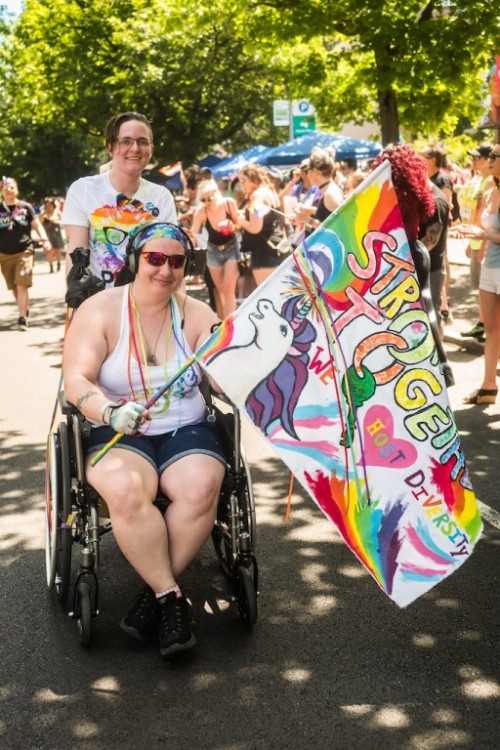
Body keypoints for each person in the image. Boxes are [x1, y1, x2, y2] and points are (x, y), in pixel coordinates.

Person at [62, 221, 227, 656]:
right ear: (136, 261)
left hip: (184, 426)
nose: (165, 270)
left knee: (201, 488)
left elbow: (222, 377)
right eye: (155, 258)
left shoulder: (198, 314)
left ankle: (157, 596)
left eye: (176, 261)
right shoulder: (99, 309)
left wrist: (240, 371)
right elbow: (75, 380)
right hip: (117, 428)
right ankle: (172, 599)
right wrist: (110, 412)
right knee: (129, 490)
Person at [370, 143, 454, 387]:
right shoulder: (416, 189)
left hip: (400, 255)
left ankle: (432, 368)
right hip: (413, 252)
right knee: (423, 310)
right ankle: (440, 367)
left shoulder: (386, 192)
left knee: (409, 314)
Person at [62, 111, 176, 288]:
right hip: (99, 303)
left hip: (150, 304)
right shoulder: (83, 190)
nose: (135, 148)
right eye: (126, 141)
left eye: (142, 142)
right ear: (110, 147)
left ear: (151, 149)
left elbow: (170, 257)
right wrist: (77, 301)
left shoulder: (162, 197)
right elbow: (77, 253)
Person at [456, 144, 500, 404]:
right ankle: (488, 387)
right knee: (491, 329)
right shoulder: (492, 189)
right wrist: (474, 234)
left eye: (495, 156)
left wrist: (483, 235)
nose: (490, 160)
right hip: (490, 268)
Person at [0, 177, 52, 330]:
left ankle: (22, 317)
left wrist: (45, 239)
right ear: (2, 191)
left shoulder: (25, 207)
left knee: (22, 284)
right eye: (5, 188)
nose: (9, 190)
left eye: (11, 187)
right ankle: (24, 308)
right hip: (4, 254)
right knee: (15, 287)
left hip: (25, 251)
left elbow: (36, 225)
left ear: (17, 189)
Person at [457, 143, 494, 342]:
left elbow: (487, 216)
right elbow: (476, 212)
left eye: (477, 157)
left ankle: (486, 326)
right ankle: (483, 324)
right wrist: (470, 242)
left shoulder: (491, 182)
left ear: (489, 159)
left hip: (484, 243)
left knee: (487, 290)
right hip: (476, 241)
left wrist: (483, 246)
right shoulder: (480, 180)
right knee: (480, 289)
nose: (473, 160)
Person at [189, 178, 240, 318]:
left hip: (231, 248)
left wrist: (231, 226)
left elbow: (239, 225)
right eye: (203, 199)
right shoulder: (202, 211)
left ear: (216, 193)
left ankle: (232, 323)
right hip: (213, 251)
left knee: (228, 290)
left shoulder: (229, 204)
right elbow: (194, 232)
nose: (207, 202)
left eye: (209, 198)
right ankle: (224, 322)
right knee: (221, 290)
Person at [237, 164, 285, 286]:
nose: (241, 184)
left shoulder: (257, 196)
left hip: (264, 252)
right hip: (275, 247)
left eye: (243, 180)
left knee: (269, 294)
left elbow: (255, 227)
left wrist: (241, 219)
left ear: (253, 178)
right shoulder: (269, 191)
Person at [293, 147, 344, 233]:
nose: (307, 175)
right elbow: (328, 216)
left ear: (315, 172)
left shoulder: (330, 194)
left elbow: (336, 229)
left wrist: (307, 219)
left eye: (308, 171)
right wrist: (311, 210)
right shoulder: (328, 190)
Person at [40, 197, 65, 273]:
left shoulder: (58, 213)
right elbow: (39, 223)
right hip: (47, 235)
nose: (49, 207)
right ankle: (51, 267)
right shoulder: (43, 214)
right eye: (47, 205)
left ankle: (59, 264)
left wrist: (55, 221)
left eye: (50, 205)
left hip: (57, 234)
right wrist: (42, 216)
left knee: (57, 251)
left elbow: (63, 222)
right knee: (49, 251)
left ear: (53, 205)